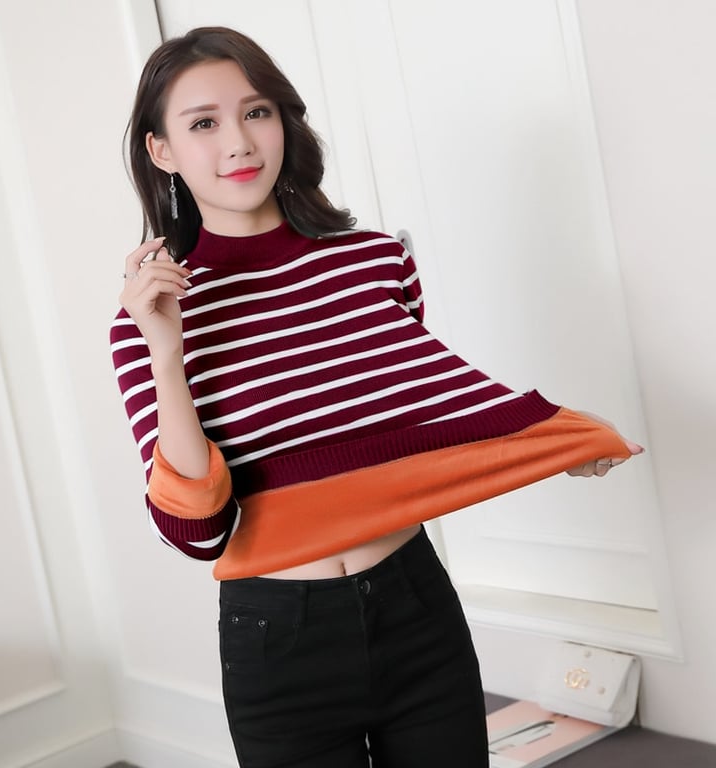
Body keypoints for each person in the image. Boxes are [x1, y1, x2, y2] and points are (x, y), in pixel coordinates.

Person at [110, 26, 642, 768]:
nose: (239, 142)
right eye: (203, 123)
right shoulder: (151, 318)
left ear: (283, 121)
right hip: (278, 639)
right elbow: (196, 531)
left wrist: (558, 439)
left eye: (256, 112)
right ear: (161, 150)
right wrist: (167, 353)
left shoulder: (376, 261)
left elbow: (423, 407)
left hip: (415, 604)